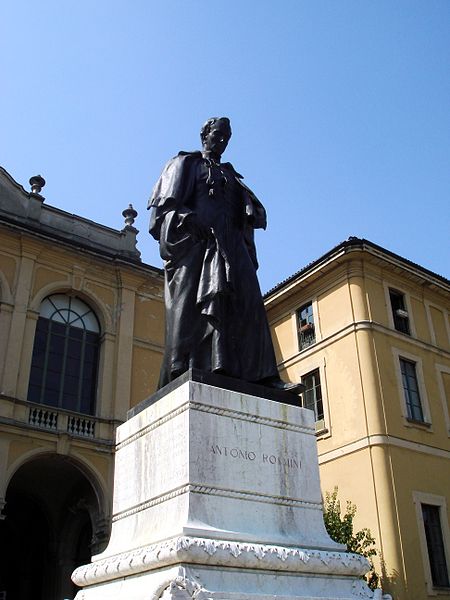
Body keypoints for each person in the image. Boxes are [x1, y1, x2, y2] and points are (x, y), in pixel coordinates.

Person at [148, 117, 302, 393]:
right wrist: (185, 219)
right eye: (218, 134)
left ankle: (264, 376)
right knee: (194, 305)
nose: (222, 140)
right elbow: (162, 213)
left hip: (233, 245)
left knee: (250, 304)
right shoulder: (185, 164)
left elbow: (246, 214)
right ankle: (187, 365)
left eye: (227, 136)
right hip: (197, 242)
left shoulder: (233, 176)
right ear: (204, 135)